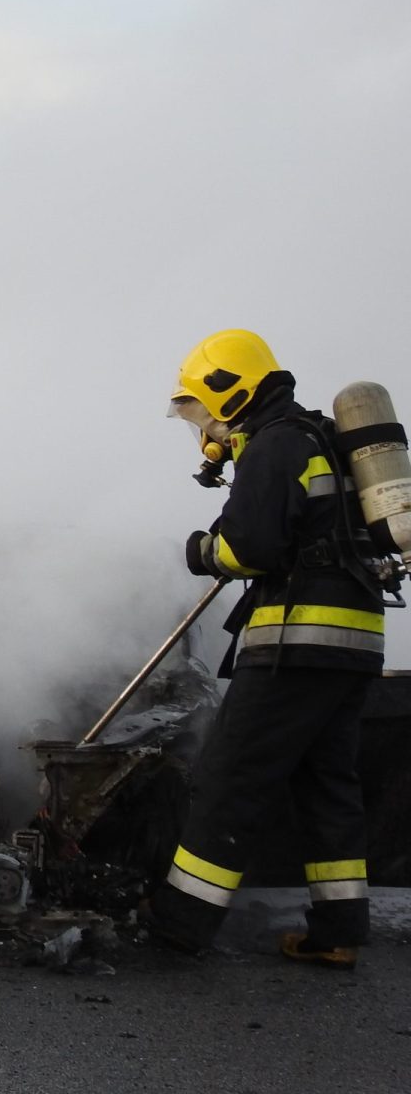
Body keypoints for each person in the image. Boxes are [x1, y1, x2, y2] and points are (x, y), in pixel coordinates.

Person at [150, 329, 382, 967]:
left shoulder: (274, 445)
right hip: (353, 644)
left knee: (230, 778)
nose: (204, 426)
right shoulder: (315, 440)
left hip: (296, 642)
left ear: (233, 389)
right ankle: (337, 933)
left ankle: (177, 926)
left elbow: (247, 549)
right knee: (325, 784)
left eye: (202, 407)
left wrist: (200, 549)